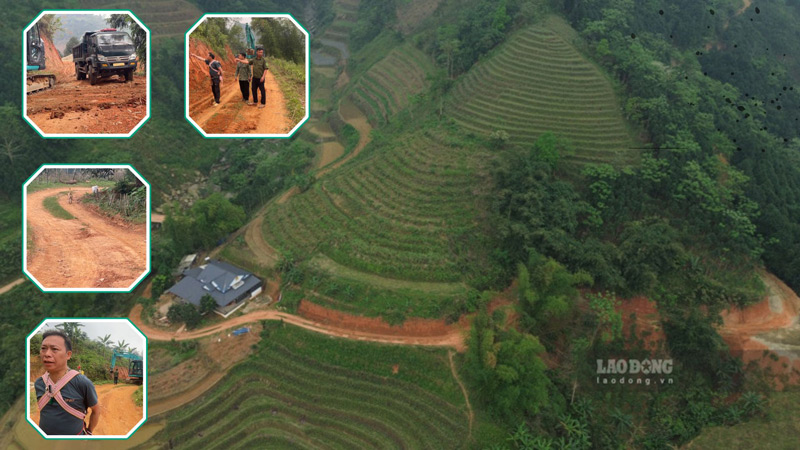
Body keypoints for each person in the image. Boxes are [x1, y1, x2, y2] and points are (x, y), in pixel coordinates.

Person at [34, 330, 100, 436]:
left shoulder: (82, 383)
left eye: (54, 349)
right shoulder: (39, 383)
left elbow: (96, 411)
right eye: (43, 349)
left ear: (68, 355)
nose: (46, 354)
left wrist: (89, 431)